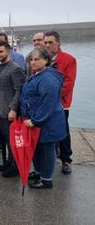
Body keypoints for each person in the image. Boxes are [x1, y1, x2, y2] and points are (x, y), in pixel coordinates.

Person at [21, 48, 66, 189]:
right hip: (37, 120)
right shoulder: (38, 74)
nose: (32, 63)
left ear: (46, 60)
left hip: (47, 123)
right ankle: (39, 172)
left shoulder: (48, 79)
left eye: (36, 59)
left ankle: (46, 180)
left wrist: (35, 121)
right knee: (38, 148)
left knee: (47, 149)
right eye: (31, 60)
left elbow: (48, 104)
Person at [44, 31, 77, 175]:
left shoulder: (69, 60)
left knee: (63, 131)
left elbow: (68, 83)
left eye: (50, 42)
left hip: (60, 103)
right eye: (45, 43)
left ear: (58, 43)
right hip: (44, 102)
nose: (47, 45)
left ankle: (66, 159)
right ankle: (47, 158)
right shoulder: (42, 59)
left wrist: (52, 98)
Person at [0, 40, 26, 177]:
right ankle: (9, 162)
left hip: (9, 111)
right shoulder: (0, 67)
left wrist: (13, 109)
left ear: (8, 51)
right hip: (0, 109)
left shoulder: (16, 68)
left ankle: (16, 167)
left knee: (13, 140)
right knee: (6, 139)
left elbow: (19, 90)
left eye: (1, 51)